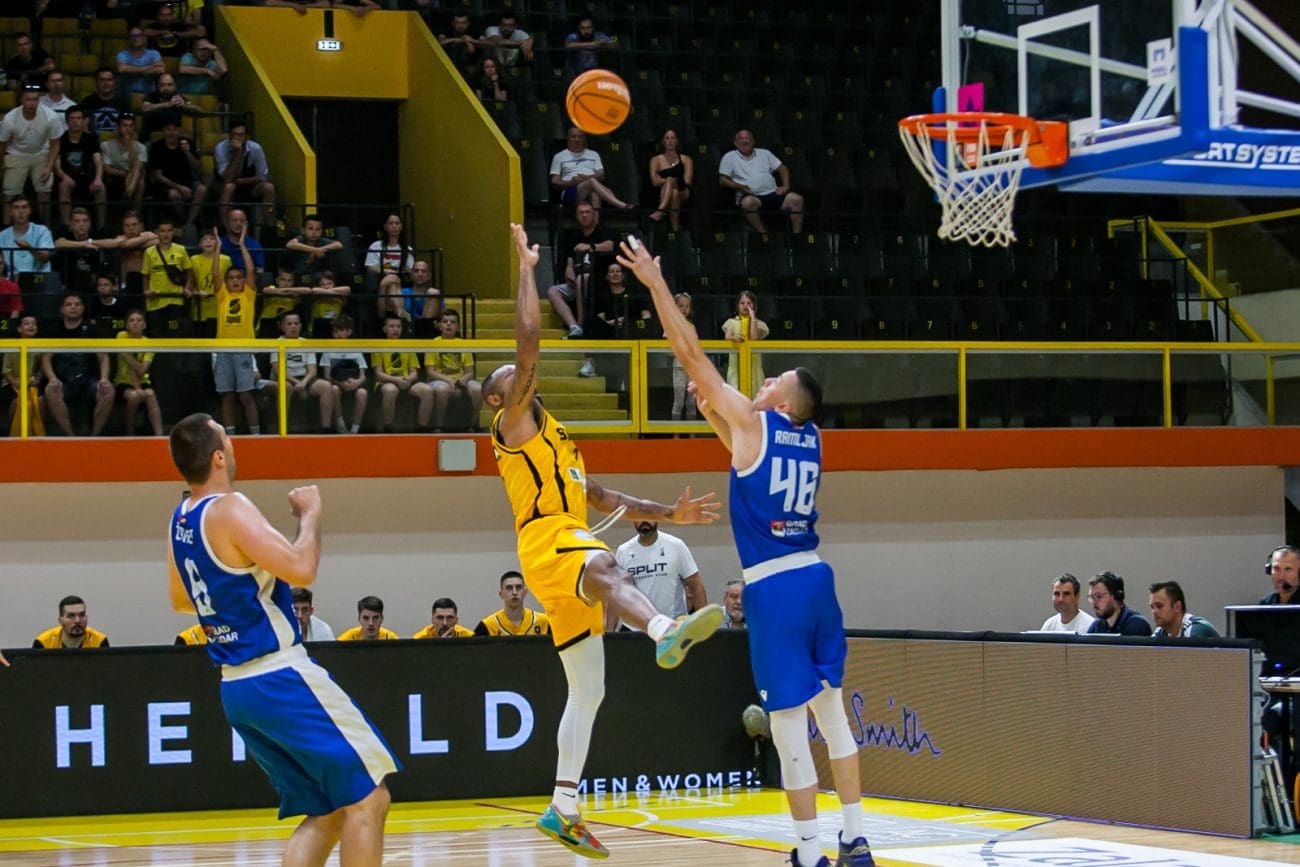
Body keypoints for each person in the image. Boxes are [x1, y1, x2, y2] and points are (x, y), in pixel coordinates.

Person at [618, 233, 875, 867]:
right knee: (832, 715)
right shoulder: (811, 436)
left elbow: (690, 351)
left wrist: (655, 282)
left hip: (775, 588)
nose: (762, 380)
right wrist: (713, 407)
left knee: (787, 727)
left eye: (773, 379)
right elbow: (737, 440)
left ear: (780, 402)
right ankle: (856, 838)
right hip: (816, 578)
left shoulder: (757, 424)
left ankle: (809, 853)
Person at [483, 224, 724, 859]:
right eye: (513, 379)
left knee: (588, 691)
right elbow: (528, 345)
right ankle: (662, 630)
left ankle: (563, 807)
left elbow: (606, 497)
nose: (524, 380)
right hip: (547, 541)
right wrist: (527, 268)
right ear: (499, 399)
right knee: (608, 562)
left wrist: (672, 514)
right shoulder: (512, 423)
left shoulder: (559, 438)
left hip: (565, 545)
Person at [166, 414, 397, 863]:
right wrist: (310, 515)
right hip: (278, 674)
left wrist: (235, 585)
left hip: (236, 686)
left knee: (327, 810)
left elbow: (180, 598)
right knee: (369, 797)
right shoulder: (229, 507)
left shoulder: (180, 517)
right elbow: (302, 568)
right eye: (227, 437)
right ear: (217, 457)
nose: (233, 444)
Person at [210, 224, 262, 435]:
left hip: (243, 350)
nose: (235, 281)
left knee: (246, 395)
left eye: (238, 278)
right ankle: (229, 435)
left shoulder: (248, 295)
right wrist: (218, 248)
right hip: (223, 351)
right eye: (231, 278)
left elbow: (250, 270)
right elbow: (215, 274)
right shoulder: (222, 295)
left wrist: (241, 244)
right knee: (227, 395)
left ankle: (256, 434)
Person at [41, 293, 114, 436]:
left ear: (82, 308)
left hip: (89, 381)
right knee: (50, 390)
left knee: (108, 391)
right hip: (63, 382)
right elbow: (46, 358)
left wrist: (104, 378)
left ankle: (94, 437)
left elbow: (103, 358)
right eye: (69, 304)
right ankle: (71, 437)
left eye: (77, 304)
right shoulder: (54, 330)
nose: (73, 307)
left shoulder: (91, 329)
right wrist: (52, 378)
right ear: (62, 309)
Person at [614, 519, 707, 629]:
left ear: (657, 517)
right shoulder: (623, 551)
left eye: (649, 516)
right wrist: (609, 633)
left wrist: (705, 627)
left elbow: (696, 586)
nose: (644, 520)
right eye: (639, 517)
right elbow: (614, 594)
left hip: (672, 627)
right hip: (634, 629)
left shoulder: (675, 545)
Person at [546, 200, 613, 340]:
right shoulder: (574, 235)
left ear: (594, 214)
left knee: (582, 278)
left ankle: (583, 326)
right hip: (577, 282)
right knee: (553, 291)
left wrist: (591, 247)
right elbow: (570, 259)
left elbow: (610, 245)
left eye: (588, 212)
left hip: (598, 281)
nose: (584, 215)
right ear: (576, 216)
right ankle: (574, 326)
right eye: (581, 213)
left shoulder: (602, 231)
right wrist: (569, 269)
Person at [719, 128, 805, 234]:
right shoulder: (729, 157)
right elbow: (722, 180)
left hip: (774, 193)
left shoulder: (765, 153)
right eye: (741, 139)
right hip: (752, 196)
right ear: (735, 143)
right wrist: (740, 187)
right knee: (747, 203)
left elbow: (782, 168)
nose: (744, 141)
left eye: (747, 138)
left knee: (797, 199)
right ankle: (763, 234)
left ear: (753, 141)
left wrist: (786, 186)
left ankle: (797, 235)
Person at [0, 84, 61, 226]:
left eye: (35, 99)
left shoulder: (50, 116)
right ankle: (6, 227)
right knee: (9, 194)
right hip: (16, 154)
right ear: (21, 100)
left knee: (44, 192)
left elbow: (55, 144)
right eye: (28, 99)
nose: (32, 103)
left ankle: (46, 226)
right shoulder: (10, 119)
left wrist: (49, 166)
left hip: (41, 153)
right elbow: (2, 145)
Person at [265, 310, 335, 434]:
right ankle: (282, 428)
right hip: (285, 378)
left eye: (296, 323)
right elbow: (277, 370)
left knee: (326, 386)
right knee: (286, 387)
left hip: (304, 378)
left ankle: (326, 428)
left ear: (300, 326)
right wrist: (296, 382)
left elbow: (312, 370)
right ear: (282, 327)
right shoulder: (277, 342)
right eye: (289, 324)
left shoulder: (306, 343)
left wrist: (303, 383)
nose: (293, 326)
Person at [372, 313, 433, 433]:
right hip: (386, 382)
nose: (395, 329)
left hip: (406, 381)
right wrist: (396, 380)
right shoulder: (378, 346)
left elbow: (414, 372)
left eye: (398, 326)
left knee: (427, 390)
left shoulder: (407, 345)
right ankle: (388, 427)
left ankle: (422, 429)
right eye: (392, 326)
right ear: (384, 329)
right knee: (391, 390)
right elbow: (378, 373)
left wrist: (408, 379)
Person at [423, 308, 481, 432]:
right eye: (445, 322)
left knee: (478, 388)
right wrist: (449, 381)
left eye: (453, 322)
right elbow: (430, 372)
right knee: (442, 389)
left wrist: (463, 379)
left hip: (460, 379)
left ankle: (472, 425)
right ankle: (439, 426)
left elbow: (470, 372)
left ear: (458, 327)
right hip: (438, 380)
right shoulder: (433, 343)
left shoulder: (463, 344)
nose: (448, 324)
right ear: (439, 326)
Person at [549, 127, 630, 214]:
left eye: (580, 136)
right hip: (570, 191)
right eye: (573, 136)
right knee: (591, 181)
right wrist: (572, 182)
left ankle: (597, 221)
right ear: (568, 138)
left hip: (593, 188)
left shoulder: (593, 154)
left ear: (584, 139)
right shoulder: (559, 156)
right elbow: (554, 182)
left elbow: (601, 174)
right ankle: (621, 205)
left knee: (594, 195)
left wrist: (585, 178)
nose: (577, 139)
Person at [148, 119, 206, 229]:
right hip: (165, 184)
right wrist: (179, 188)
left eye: (175, 130)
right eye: (168, 129)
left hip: (187, 181)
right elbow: (158, 176)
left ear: (179, 131)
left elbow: (197, 168)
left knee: (201, 189)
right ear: (163, 131)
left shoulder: (188, 143)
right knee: (174, 194)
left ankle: (189, 224)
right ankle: (183, 220)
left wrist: (187, 152)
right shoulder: (157, 147)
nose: (171, 133)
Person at [55, 106, 107, 229]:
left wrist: (98, 178)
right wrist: (64, 177)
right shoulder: (60, 140)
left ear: (83, 121)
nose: (75, 121)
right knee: (63, 186)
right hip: (67, 178)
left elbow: (98, 162)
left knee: (101, 187)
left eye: (78, 118)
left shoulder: (91, 138)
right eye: (72, 118)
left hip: (86, 179)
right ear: (67, 121)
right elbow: (56, 165)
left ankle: (101, 227)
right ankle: (67, 227)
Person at [215, 121, 276, 224]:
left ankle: (269, 225)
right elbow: (227, 178)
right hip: (224, 185)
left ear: (246, 137)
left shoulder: (256, 148)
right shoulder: (221, 148)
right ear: (229, 135)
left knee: (269, 187)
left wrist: (244, 181)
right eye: (234, 134)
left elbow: (263, 176)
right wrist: (238, 153)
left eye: (241, 135)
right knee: (229, 187)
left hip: (249, 185)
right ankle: (225, 225)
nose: (237, 138)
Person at [113, 308, 163, 436]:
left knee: (150, 394)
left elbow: (142, 369)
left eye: (139, 320)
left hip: (143, 379)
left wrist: (125, 354)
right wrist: (137, 388)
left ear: (144, 325)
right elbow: (132, 367)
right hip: (123, 381)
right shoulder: (121, 336)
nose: (135, 323)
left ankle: (160, 436)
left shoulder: (149, 343)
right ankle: (130, 432)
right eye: (132, 320)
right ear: (127, 325)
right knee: (134, 396)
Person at [319, 314, 368, 434]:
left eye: (341, 330)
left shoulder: (356, 350)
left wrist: (356, 382)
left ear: (348, 332)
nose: (338, 334)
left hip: (354, 382)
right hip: (337, 382)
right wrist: (341, 383)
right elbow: (327, 376)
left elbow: (363, 376)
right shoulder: (328, 350)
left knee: (362, 393)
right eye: (335, 331)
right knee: (334, 389)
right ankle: (340, 424)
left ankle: (355, 429)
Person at [141, 218, 193, 327]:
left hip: (176, 300)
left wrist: (188, 287)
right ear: (157, 232)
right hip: (155, 301)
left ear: (173, 232)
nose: (166, 234)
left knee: (175, 334)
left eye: (169, 230)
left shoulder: (181, 249)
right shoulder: (149, 252)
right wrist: (146, 290)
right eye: (162, 231)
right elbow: (145, 275)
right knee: (157, 334)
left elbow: (189, 271)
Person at [474, 570, 551, 636]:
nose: (514, 592)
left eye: (518, 587)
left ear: (525, 592)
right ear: (501, 594)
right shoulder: (487, 626)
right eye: (509, 588)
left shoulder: (543, 622)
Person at [100, 111, 148, 212]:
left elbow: (139, 167)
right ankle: (134, 212)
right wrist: (126, 174)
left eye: (130, 126)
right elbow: (107, 169)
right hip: (116, 179)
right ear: (118, 127)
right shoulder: (106, 145)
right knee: (140, 183)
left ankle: (128, 195)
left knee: (139, 177)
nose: (127, 129)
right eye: (124, 125)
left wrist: (130, 145)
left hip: (135, 178)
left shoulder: (141, 147)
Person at [722, 289, 768, 390]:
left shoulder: (759, 324)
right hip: (736, 363)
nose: (745, 306)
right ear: (737, 306)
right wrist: (734, 337)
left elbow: (754, 337)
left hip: (754, 365)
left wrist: (752, 317)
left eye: (749, 303)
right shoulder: (732, 322)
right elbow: (727, 337)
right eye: (742, 303)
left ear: (754, 306)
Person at [648, 129, 692, 231]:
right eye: (667, 138)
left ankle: (660, 211)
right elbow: (654, 182)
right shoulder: (655, 160)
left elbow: (687, 181)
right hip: (662, 192)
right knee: (673, 193)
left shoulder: (686, 159)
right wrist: (670, 182)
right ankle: (675, 230)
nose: (670, 141)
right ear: (663, 141)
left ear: (677, 141)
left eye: (673, 138)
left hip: (683, 191)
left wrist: (667, 181)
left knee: (671, 184)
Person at [0, 194, 54, 277]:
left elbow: (45, 258)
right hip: (13, 280)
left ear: (29, 210)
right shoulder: (2, 235)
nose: (21, 211)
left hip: (40, 279)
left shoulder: (42, 231)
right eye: (16, 207)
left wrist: (29, 248)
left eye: (24, 207)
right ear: (10, 211)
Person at [1085, 572, 1153, 636]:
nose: (1094, 602)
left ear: (1116, 596)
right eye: (1091, 597)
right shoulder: (1096, 627)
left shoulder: (1137, 625)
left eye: (1098, 596)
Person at [1149, 581, 1220, 638]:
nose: (1154, 611)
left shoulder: (1196, 629)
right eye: (1152, 607)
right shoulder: (1161, 632)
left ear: (1177, 607)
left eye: (1159, 606)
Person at [33, 595, 110, 648]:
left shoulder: (99, 642)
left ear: (87, 618)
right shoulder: (43, 643)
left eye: (82, 615)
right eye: (71, 616)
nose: (77, 620)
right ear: (60, 621)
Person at [669, 292, 698, 423]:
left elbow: (696, 347)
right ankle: (675, 431)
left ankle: (691, 431)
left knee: (691, 402)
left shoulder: (692, 326)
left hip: (692, 368)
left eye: (687, 306)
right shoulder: (670, 325)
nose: (684, 309)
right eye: (681, 306)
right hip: (679, 366)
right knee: (679, 401)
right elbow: (668, 347)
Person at [77, 67, 130, 135]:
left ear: (114, 82)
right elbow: (83, 128)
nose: (106, 83)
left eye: (109, 80)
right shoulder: (88, 101)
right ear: (96, 82)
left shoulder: (123, 102)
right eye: (102, 80)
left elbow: (129, 129)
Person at [116, 27, 167, 95]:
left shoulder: (154, 53)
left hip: (149, 94)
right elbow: (121, 68)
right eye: (132, 36)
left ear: (144, 38)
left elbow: (160, 69)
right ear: (128, 39)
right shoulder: (122, 54)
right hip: (127, 94)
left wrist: (132, 71)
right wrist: (150, 67)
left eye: (138, 35)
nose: (135, 38)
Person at [364, 212, 414, 277]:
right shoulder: (375, 246)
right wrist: (386, 272)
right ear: (385, 227)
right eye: (391, 223)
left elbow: (410, 269)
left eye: (397, 223)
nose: (394, 226)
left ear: (401, 227)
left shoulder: (408, 249)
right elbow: (370, 267)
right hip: (380, 278)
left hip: (399, 279)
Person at [39, 70, 76, 136]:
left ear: (63, 83)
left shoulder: (72, 105)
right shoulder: (38, 103)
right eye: (53, 81)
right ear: (47, 84)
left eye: (59, 80)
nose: (56, 83)